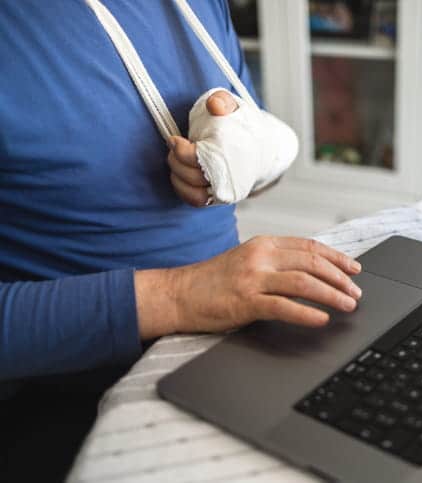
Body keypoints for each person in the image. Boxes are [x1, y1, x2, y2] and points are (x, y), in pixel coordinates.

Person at [0, 1, 361, 480]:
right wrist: (181, 295)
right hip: (75, 398)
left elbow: (255, 150)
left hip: (229, 346)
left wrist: (230, 158)